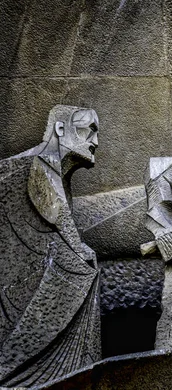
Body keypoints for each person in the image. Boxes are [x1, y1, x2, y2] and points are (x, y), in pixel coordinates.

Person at [0, 105, 100, 387]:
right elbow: (58, 222)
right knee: (82, 268)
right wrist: (81, 252)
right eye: (88, 130)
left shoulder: (56, 173)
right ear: (59, 129)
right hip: (17, 283)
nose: (95, 141)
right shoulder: (38, 164)